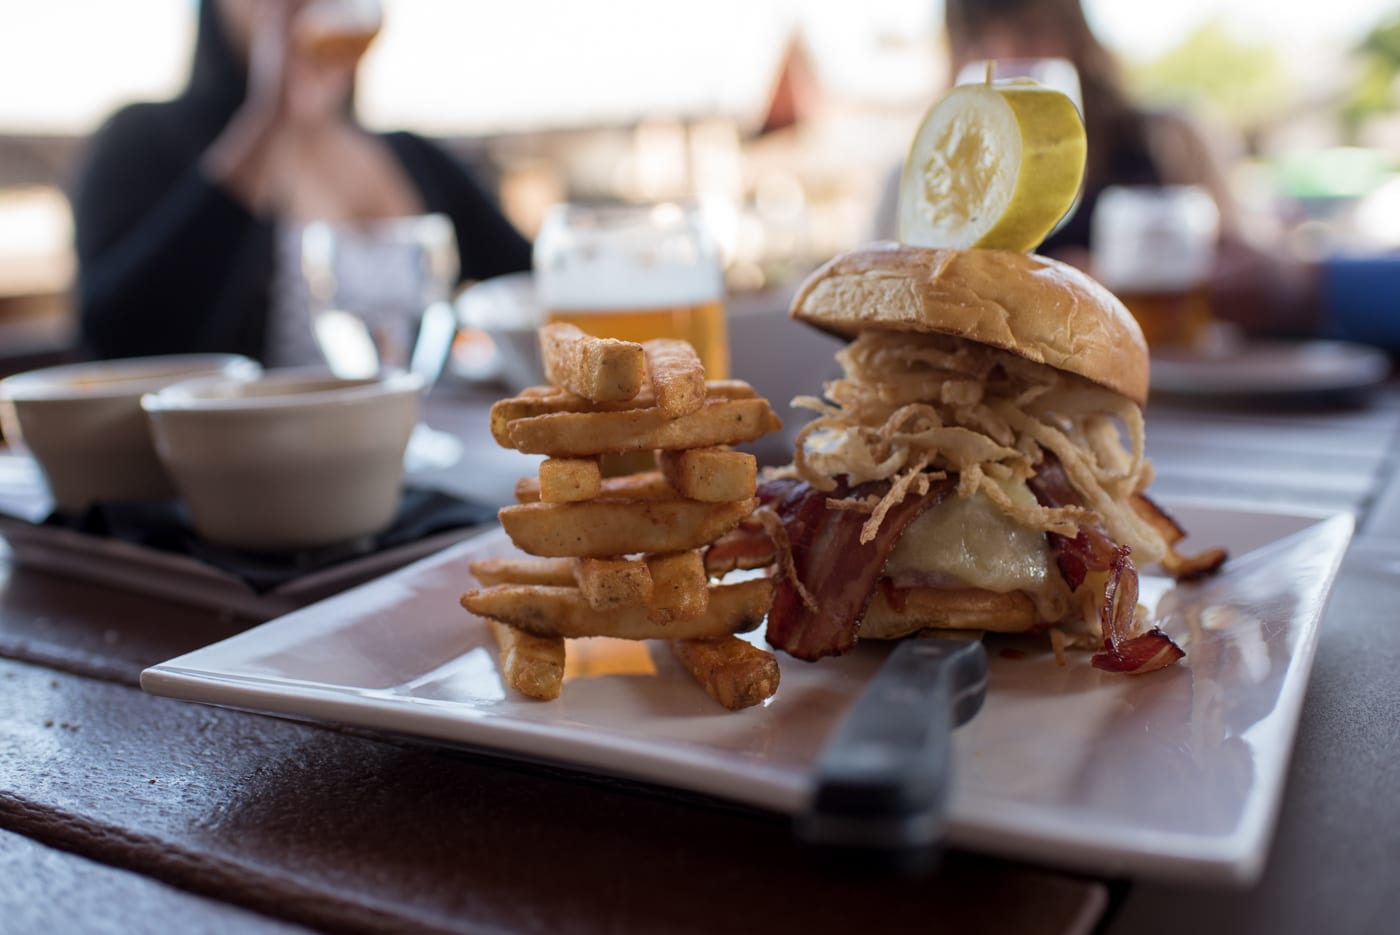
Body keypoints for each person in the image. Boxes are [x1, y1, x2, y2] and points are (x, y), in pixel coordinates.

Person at [72, 0, 532, 365]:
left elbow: (531, 285)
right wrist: (268, 118)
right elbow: (120, 339)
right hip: (250, 469)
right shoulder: (145, 138)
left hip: (414, 459)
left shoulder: (414, 156)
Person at [874, 0, 1317, 338]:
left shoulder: (1171, 136)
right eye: (978, 38)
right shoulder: (919, 178)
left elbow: (1251, 268)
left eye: (1030, 30)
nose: (1005, 55)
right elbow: (888, 305)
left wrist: (1117, 276)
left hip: (1168, 391)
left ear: (1075, 35)